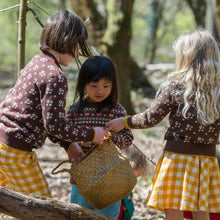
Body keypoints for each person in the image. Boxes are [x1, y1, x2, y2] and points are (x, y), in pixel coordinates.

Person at [106, 29, 220, 220]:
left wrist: (124, 121)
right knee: (202, 211)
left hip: (177, 159)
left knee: (173, 210)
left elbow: (150, 118)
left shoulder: (176, 86)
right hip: (206, 161)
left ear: (186, 56)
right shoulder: (217, 92)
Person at [0, 9, 108, 198]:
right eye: (77, 46)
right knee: (40, 208)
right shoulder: (55, 76)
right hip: (14, 151)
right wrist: (92, 135)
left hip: (3, 141)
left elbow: (47, 118)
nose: (77, 54)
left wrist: (67, 145)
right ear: (67, 40)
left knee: (10, 204)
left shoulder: (37, 62)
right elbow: (55, 125)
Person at [64, 55, 133, 218]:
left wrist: (112, 138)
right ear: (83, 84)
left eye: (106, 85)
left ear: (113, 85)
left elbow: (128, 138)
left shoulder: (117, 111)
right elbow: (65, 135)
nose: (100, 90)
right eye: (94, 85)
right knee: (78, 214)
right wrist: (77, 141)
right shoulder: (75, 111)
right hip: (82, 178)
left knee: (106, 216)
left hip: (110, 178)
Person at [117, 145, 149, 220]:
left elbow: (128, 211)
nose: (132, 181)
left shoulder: (127, 191)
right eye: (131, 176)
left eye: (136, 178)